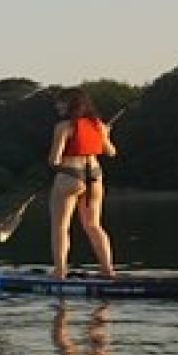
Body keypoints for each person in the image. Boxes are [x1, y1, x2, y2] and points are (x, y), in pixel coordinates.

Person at [47, 88, 117, 280]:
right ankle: (107, 269)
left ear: (73, 104)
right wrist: (106, 135)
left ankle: (60, 272)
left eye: (62, 102)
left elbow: (54, 160)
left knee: (60, 227)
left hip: (69, 177)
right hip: (95, 177)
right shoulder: (98, 125)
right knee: (94, 225)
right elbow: (111, 152)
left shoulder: (63, 127)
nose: (58, 106)